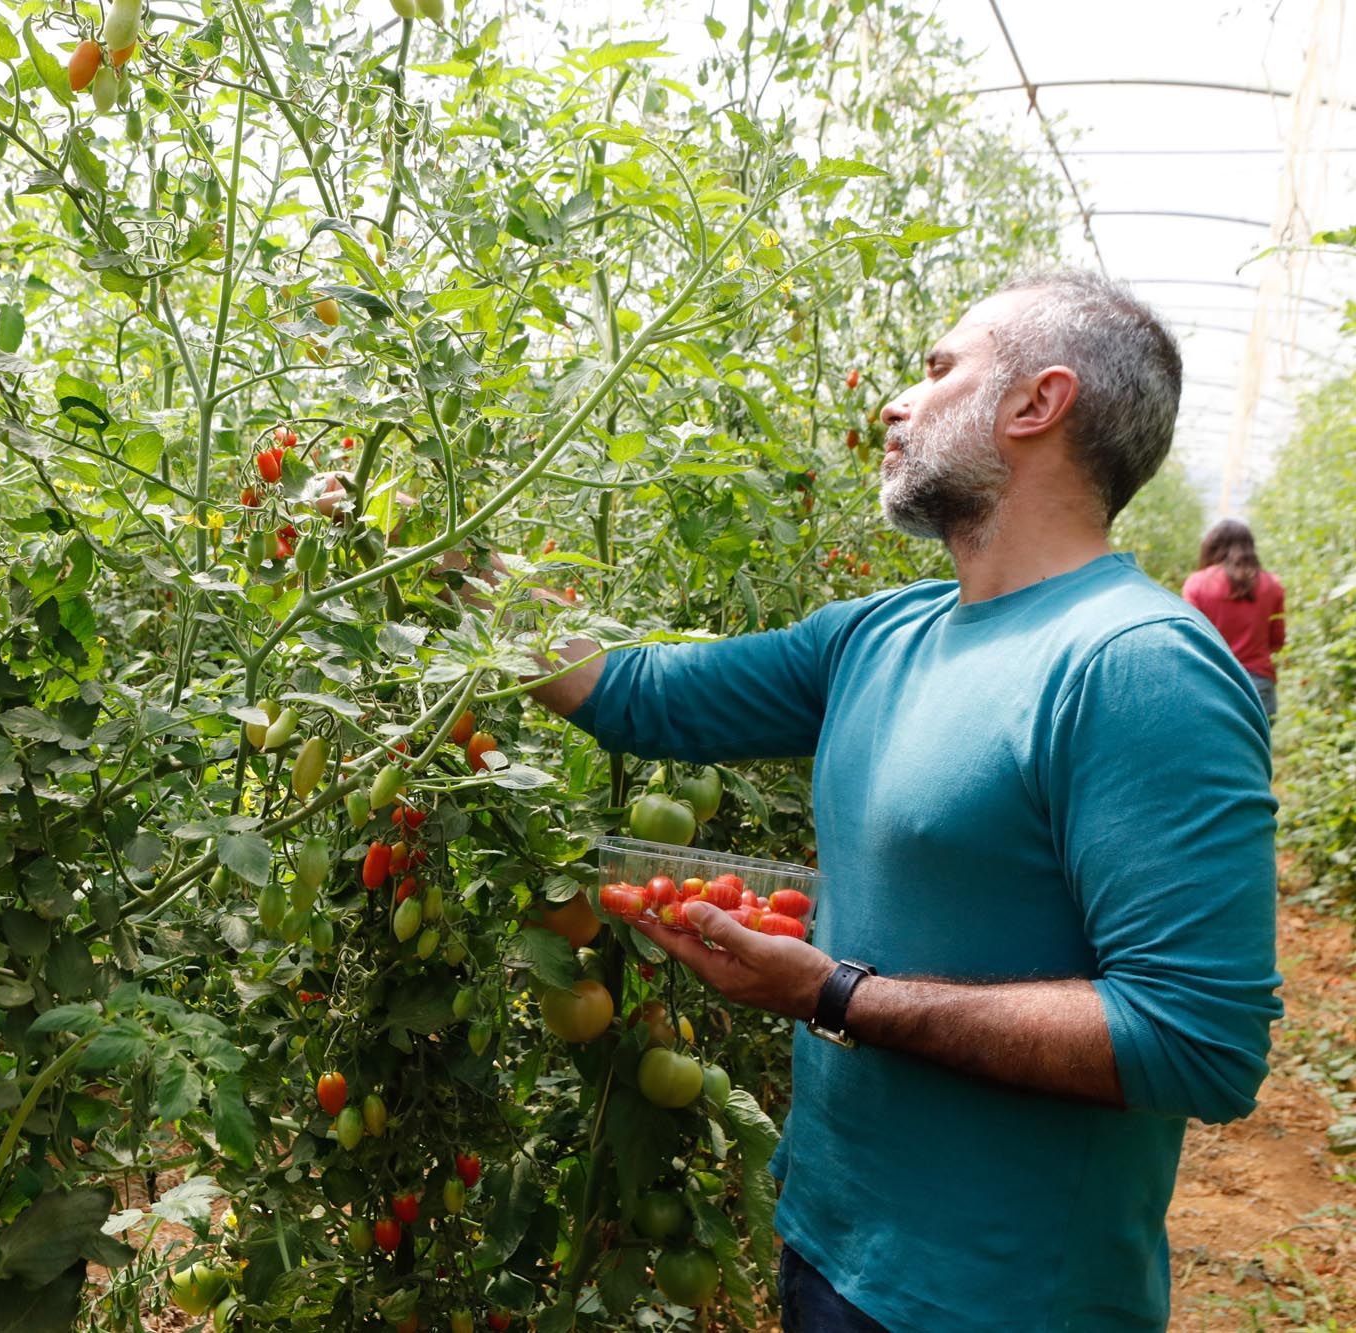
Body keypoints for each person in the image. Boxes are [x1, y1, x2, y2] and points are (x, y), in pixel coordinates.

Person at [524, 271, 1281, 1331]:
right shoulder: (875, 634)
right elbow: (628, 693)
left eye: (936, 371)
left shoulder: (1134, 666)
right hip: (829, 1239)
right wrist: (448, 565)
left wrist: (835, 994)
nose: (895, 401)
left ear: (1034, 404)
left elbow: (1195, 1038)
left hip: (1003, 1297)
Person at [1181, 519, 1285, 720]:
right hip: (1258, 684)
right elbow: (1277, 641)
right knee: (1255, 751)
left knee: (1211, 749)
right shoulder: (1272, 584)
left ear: (1211, 547)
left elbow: (1189, 639)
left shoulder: (1197, 584)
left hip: (1211, 682)